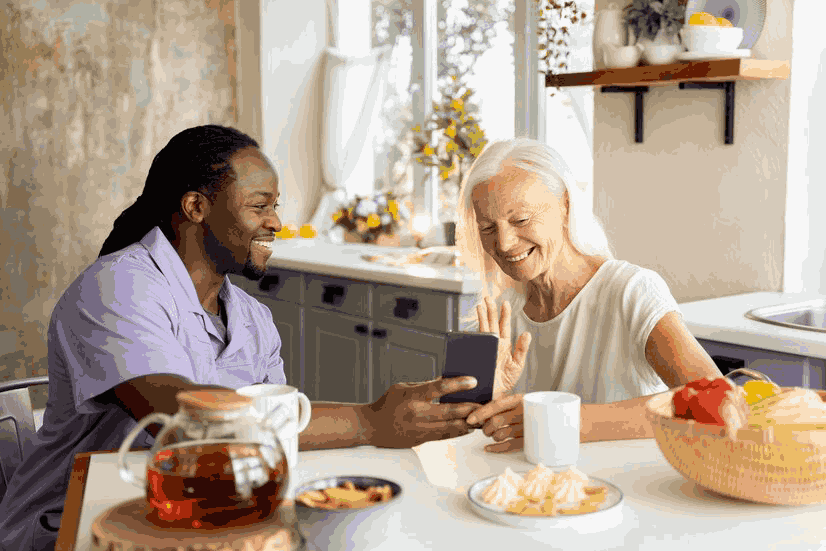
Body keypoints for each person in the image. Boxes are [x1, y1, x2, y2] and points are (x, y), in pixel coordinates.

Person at [0, 125, 481, 551]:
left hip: (199, 520)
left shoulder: (252, 318)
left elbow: (273, 435)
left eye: (276, 206)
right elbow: (185, 417)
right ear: (196, 207)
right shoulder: (116, 287)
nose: (275, 222)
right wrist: (372, 420)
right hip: (73, 526)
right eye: (259, 206)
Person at [456, 137, 723, 453]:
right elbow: (469, 430)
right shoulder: (499, 308)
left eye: (521, 220)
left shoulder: (630, 291)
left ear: (565, 205)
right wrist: (490, 401)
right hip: (536, 493)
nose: (503, 243)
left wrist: (562, 420)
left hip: (628, 492)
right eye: (487, 228)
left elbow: (714, 398)